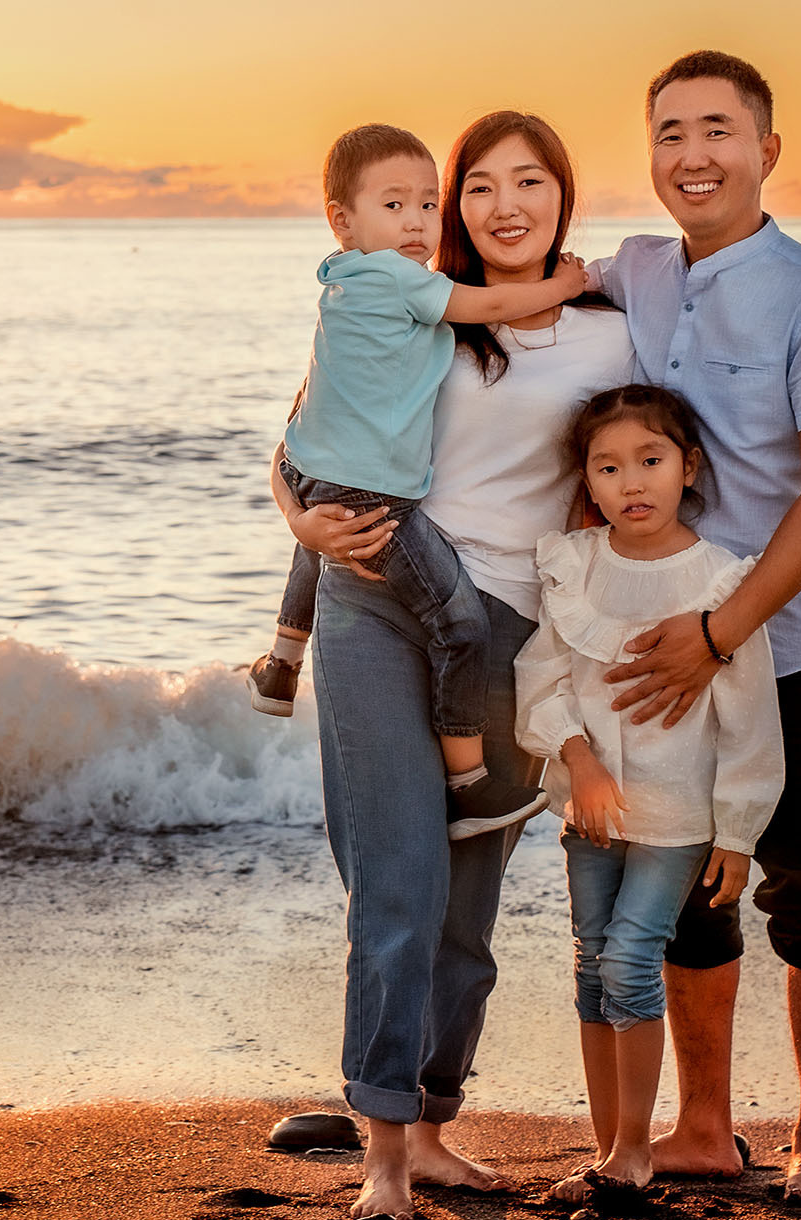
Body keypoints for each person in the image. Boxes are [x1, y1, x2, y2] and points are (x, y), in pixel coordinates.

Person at [272, 112, 633, 1220]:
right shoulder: (410, 302)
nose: (501, 204)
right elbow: (302, 429)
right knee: (397, 884)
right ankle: (380, 1152)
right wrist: (300, 520)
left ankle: (430, 1126)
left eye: (530, 182)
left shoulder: (611, 327)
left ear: (563, 198)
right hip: (378, 600)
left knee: (464, 913)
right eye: (478, 185)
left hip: (513, 635)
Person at [590, 51, 801, 1204]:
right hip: (657, 656)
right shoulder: (634, 273)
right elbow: (506, 300)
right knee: (682, 887)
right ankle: (702, 1126)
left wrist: (719, 630)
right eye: (669, 132)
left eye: (716, 130)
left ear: (767, 149)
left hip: (788, 648)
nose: (691, 154)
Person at [250, 123, 591, 838]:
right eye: (394, 206)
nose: (415, 223)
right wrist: (567, 281)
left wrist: (294, 504)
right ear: (343, 220)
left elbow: (307, 414)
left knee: (320, 539)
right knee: (458, 624)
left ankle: (281, 661)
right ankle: (467, 784)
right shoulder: (407, 285)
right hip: (374, 507)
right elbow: (491, 307)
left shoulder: (342, 284)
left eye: (424, 206)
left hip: (316, 467)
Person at [514, 385, 784, 1202]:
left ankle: (634, 1147)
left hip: (673, 819)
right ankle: (608, 1153)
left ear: (687, 467)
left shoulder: (718, 584)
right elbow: (540, 676)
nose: (631, 482)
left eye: (650, 461)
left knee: (632, 958)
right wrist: (579, 761)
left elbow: (748, 726)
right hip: (588, 809)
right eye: (608, 466)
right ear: (587, 482)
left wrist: (736, 836)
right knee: (590, 965)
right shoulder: (574, 564)